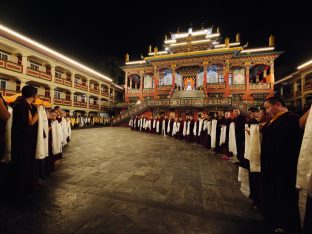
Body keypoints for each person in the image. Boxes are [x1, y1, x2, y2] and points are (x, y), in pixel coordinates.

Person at [261, 97, 302, 233]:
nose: (267, 111)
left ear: (277, 105)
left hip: (284, 164)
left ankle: (288, 225)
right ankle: (276, 219)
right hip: (272, 163)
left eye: (268, 108)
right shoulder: (274, 119)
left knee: (285, 195)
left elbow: (293, 144)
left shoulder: (292, 119)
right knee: (275, 192)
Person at [11, 85, 40, 199]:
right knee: (23, 165)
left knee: (25, 164)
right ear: (33, 95)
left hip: (25, 140)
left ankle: (25, 188)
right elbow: (30, 122)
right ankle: (22, 190)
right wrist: (39, 112)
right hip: (23, 141)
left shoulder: (23, 104)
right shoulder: (23, 105)